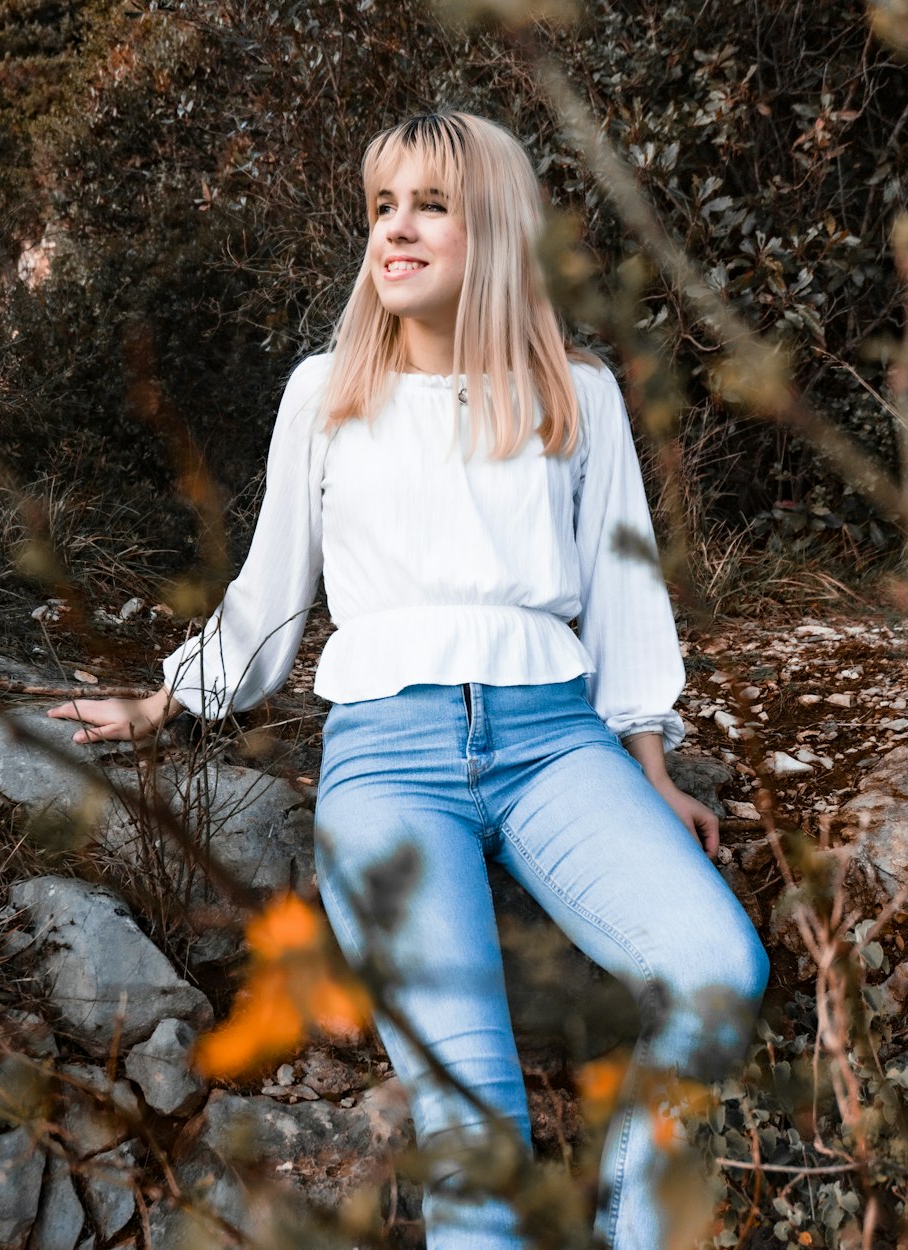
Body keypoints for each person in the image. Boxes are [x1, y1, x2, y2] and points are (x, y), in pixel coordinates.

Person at [49, 111, 770, 1250]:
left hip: (554, 746)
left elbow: (625, 594)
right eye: (382, 205)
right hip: (390, 759)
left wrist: (650, 767)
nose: (396, 229)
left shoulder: (575, 394)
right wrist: (163, 698)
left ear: (494, 229)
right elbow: (266, 588)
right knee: (474, 1120)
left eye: (430, 204)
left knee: (717, 966)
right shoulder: (324, 392)